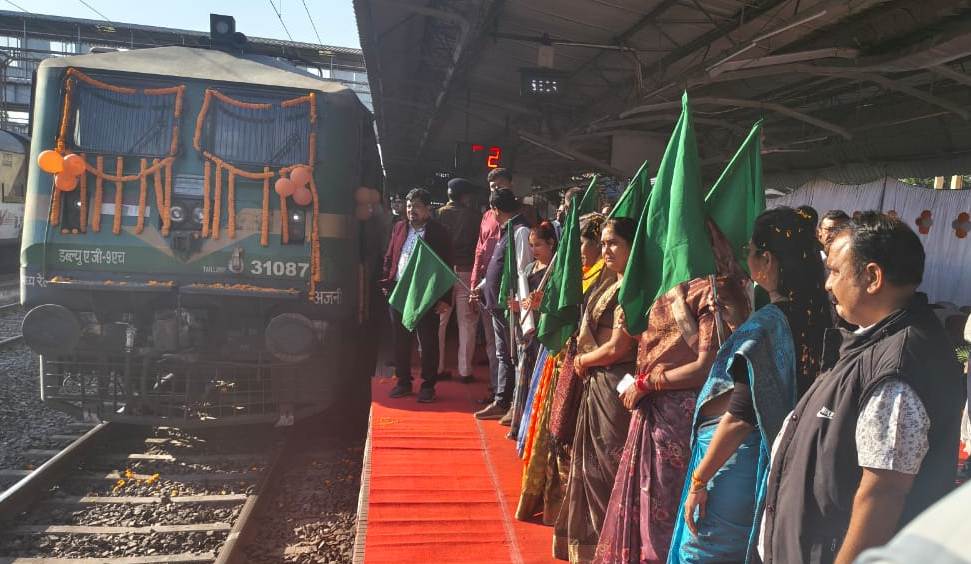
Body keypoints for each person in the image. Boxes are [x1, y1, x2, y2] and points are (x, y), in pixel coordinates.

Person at [759, 212, 964, 564]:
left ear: (871, 277)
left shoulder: (897, 365)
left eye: (835, 271)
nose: (827, 284)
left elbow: (882, 494)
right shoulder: (873, 342)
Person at [669, 207, 832, 563]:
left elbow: (741, 416)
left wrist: (700, 479)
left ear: (767, 260)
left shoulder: (766, 327)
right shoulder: (821, 317)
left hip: (739, 461)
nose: (746, 256)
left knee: (705, 551)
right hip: (787, 460)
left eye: (750, 249)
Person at [595, 219, 751, 564]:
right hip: (655, 414)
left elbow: (706, 366)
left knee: (664, 511)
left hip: (682, 418)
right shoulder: (675, 285)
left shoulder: (714, 290)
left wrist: (648, 382)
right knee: (648, 508)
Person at [553, 217, 640, 562]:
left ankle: (610, 547)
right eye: (603, 242)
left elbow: (620, 347)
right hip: (596, 382)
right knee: (587, 465)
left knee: (606, 466)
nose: (606, 249)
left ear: (634, 247)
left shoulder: (632, 288)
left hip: (614, 386)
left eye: (614, 243)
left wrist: (586, 361)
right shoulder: (609, 282)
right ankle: (587, 546)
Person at [517, 213, 607, 525]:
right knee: (555, 430)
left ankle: (570, 508)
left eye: (584, 243)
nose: (581, 249)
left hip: (586, 364)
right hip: (564, 358)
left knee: (568, 434)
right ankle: (551, 502)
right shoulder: (581, 271)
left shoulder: (603, 275)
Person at [381, 188, 453, 403]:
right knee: (400, 340)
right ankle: (403, 381)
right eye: (410, 206)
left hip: (425, 295)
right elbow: (390, 255)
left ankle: (428, 385)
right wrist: (386, 281)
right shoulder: (399, 227)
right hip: (399, 290)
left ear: (428, 209)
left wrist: (444, 299)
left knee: (428, 341)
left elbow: (447, 267)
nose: (412, 211)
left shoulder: (439, 232)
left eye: (417, 207)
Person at [474, 188, 533, 420]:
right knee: (503, 353)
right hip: (498, 303)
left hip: (510, 306)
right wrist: (481, 287)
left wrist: (519, 301)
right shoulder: (507, 231)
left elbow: (522, 269)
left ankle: (511, 404)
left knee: (513, 354)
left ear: (495, 209)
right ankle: (503, 400)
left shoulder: (519, 232)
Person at [470, 167, 516, 403]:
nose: (495, 191)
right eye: (492, 188)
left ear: (510, 184)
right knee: (493, 342)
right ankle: (497, 389)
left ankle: (508, 394)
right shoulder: (488, 216)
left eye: (499, 186)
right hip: (488, 285)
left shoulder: (522, 216)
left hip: (510, 291)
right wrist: (474, 282)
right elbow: (480, 250)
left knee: (511, 345)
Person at [508, 221, 557, 437]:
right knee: (523, 377)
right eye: (531, 245)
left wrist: (542, 304)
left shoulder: (556, 270)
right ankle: (522, 426)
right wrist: (518, 306)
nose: (533, 250)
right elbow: (522, 294)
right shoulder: (529, 269)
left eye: (538, 245)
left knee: (539, 381)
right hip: (526, 331)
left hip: (544, 332)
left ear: (551, 243)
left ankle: (537, 428)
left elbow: (558, 303)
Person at [435, 178, 481, 384]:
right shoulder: (475, 217)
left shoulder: (438, 215)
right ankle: (465, 371)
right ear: (466, 196)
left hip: (443, 272)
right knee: (467, 322)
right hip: (466, 271)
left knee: (440, 321)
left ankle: (437, 367)